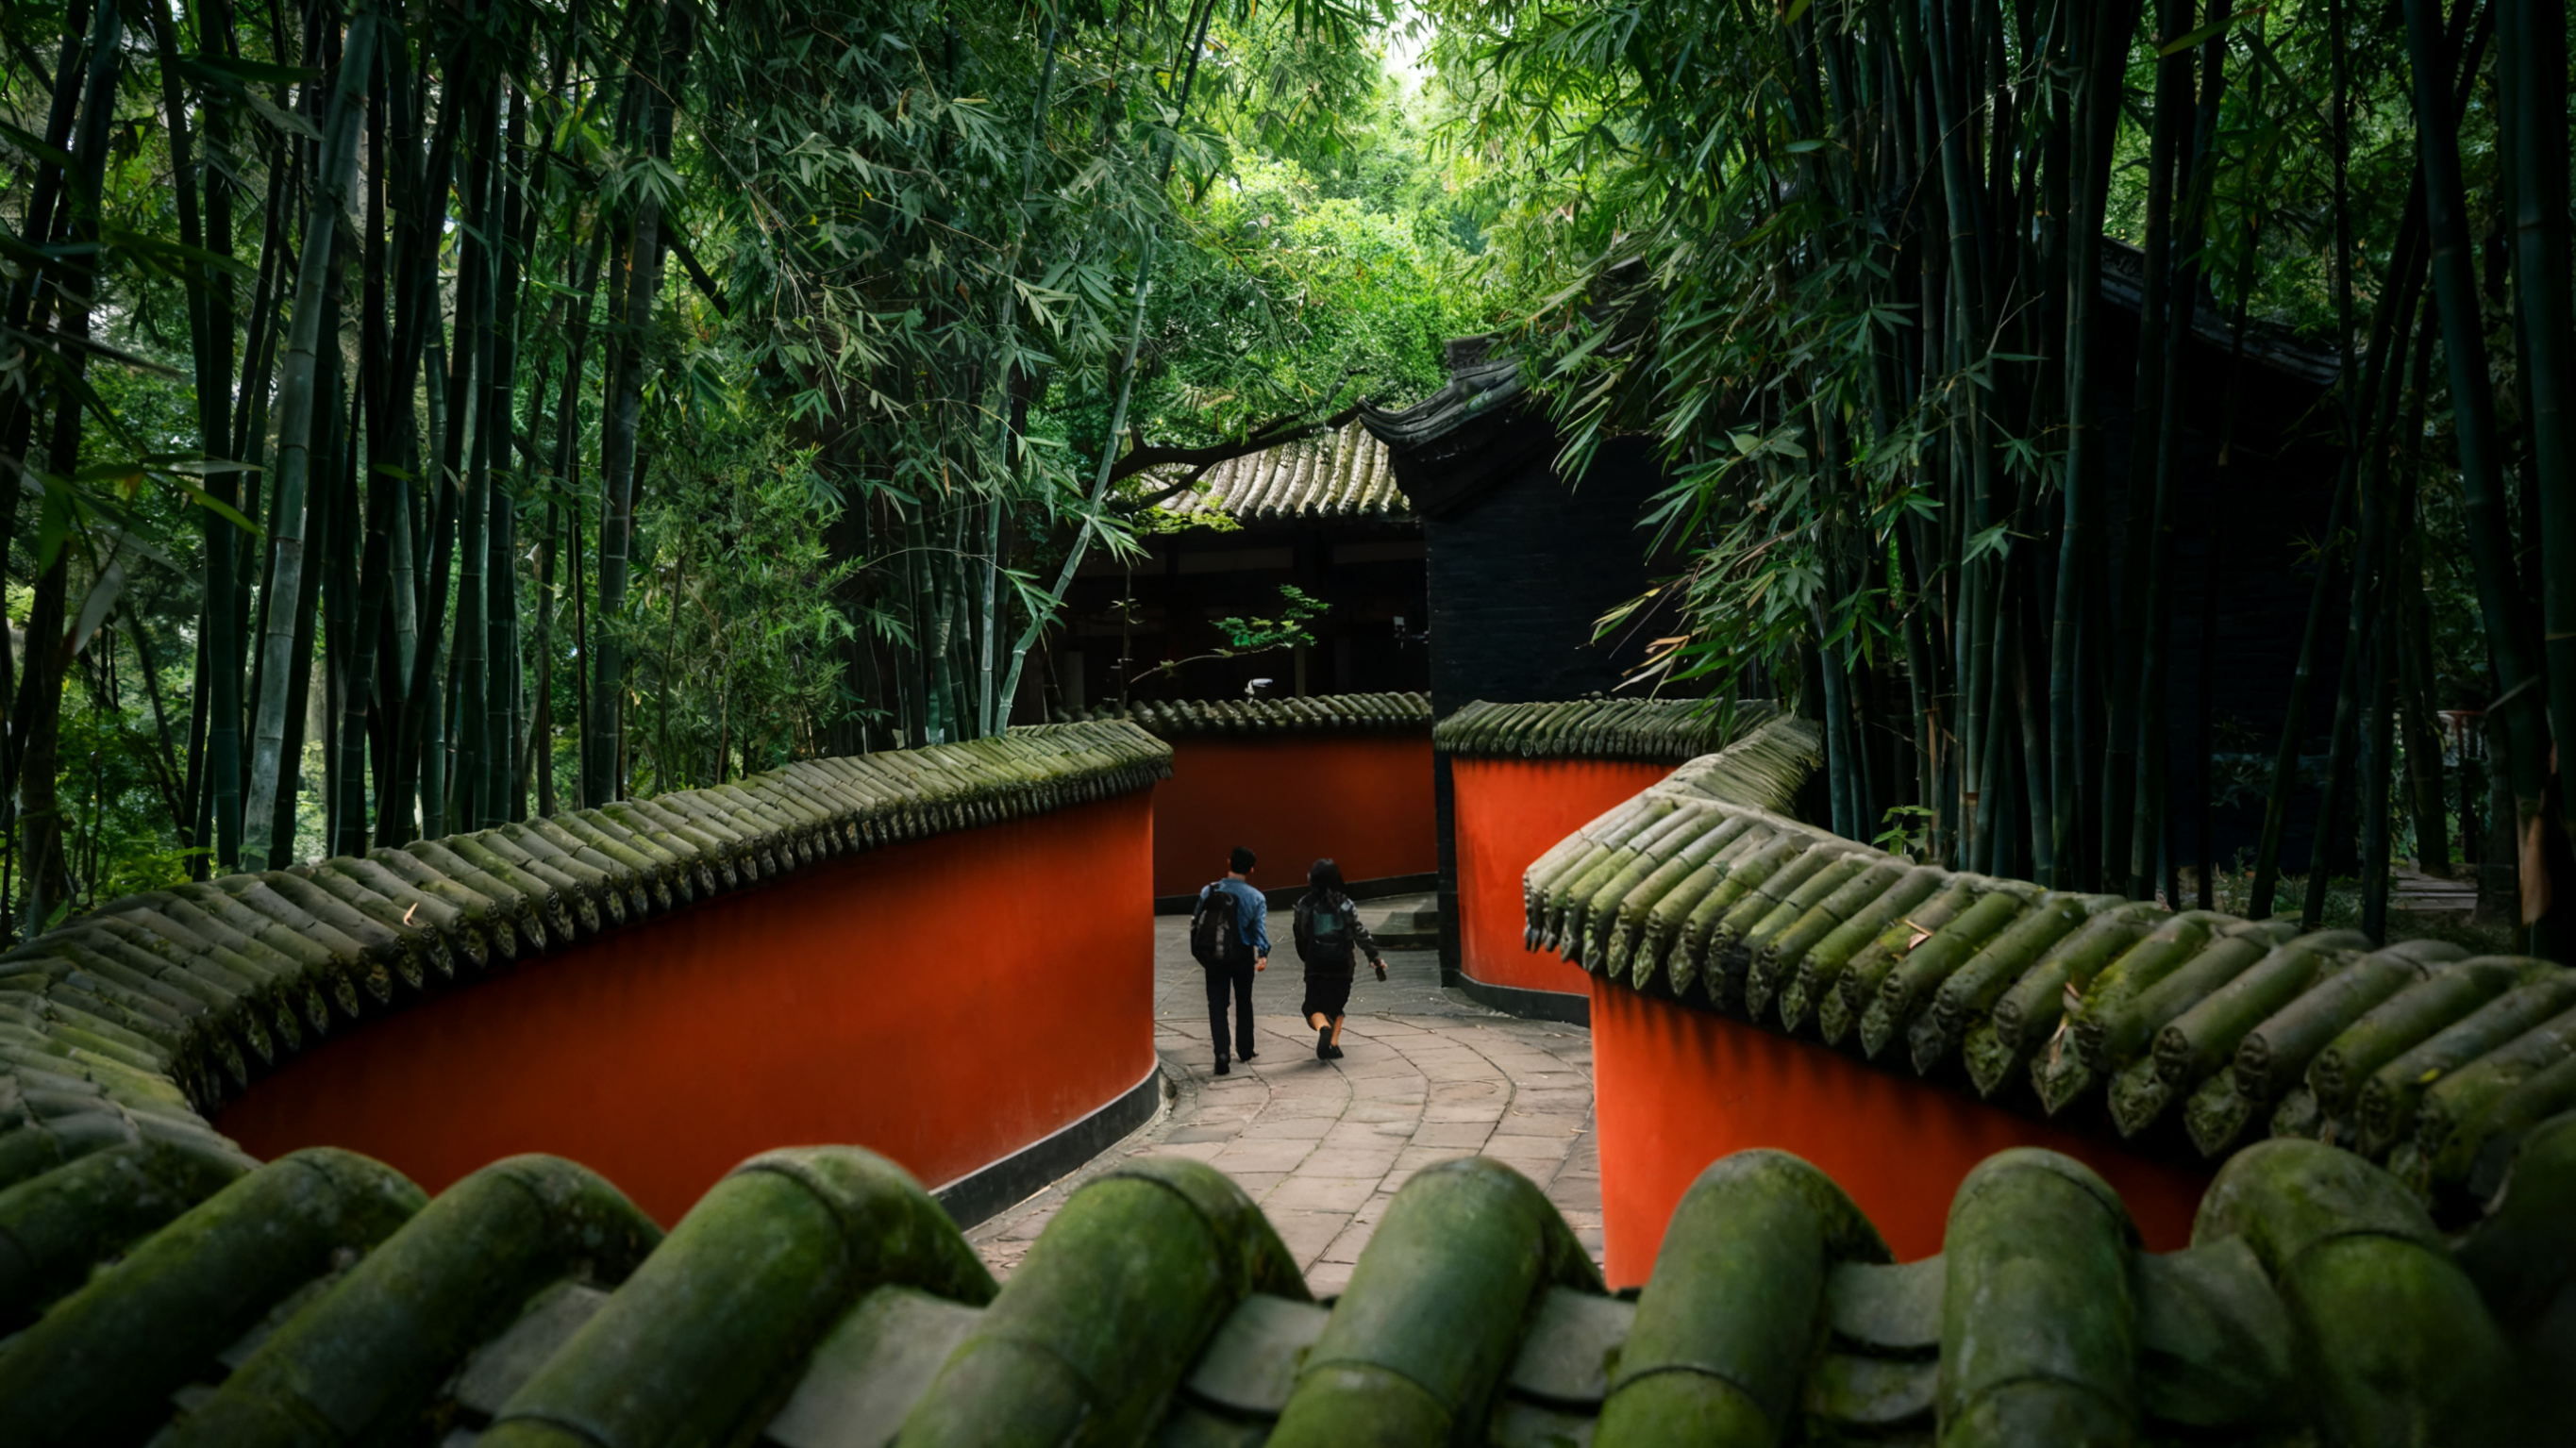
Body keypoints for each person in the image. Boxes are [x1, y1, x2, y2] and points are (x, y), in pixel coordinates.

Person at [1292, 857, 1385, 1061]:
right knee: (1336, 1007)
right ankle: (1333, 1045)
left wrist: (1306, 956)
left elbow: (1301, 934)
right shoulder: (1345, 904)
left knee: (1312, 1007)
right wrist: (1373, 956)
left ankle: (1323, 1028)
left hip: (1316, 963)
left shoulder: (1304, 904)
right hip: (1343, 963)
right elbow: (1359, 932)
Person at [1191, 846, 1269, 1074]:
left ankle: (1221, 1054)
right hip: (1242, 954)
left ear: (1228, 863)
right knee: (1244, 1001)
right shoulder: (1256, 897)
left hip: (1215, 954)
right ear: (1251, 869)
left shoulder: (1209, 891)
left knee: (1217, 1004)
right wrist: (1263, 953)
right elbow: (1259, 930)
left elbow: (1197, 921)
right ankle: (1245, 1049)